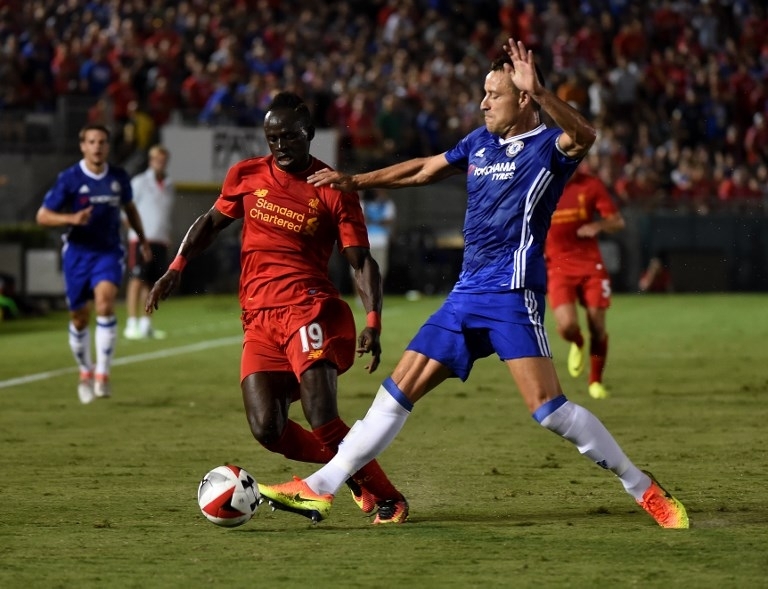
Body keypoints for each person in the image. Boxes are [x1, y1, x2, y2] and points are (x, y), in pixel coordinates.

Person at [257, 39, 689, 529]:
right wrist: (356, 181)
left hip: (512, 294)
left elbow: (585, 135)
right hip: (465, 295)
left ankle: (642, 487)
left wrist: (543, 92)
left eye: (494, 94)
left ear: (523, 97)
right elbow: (423, 169)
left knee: (549, 412)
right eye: (483, 93)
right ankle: (321, 489)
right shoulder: (478, 143)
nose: (483, 102)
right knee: (394, 395)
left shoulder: (549, 146)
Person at [145, 92, 408, 524]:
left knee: (321, 414)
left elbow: (360, 260)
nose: (280, 145)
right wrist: (176, 267)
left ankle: (387, 497)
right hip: (258, 320)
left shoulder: (332, 187)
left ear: (309, 132)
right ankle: (354, 475)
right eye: (272, 137)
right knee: (268, 427)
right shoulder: (246, 174)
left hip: (308, 310)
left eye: (288, 136)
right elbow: (210, 222)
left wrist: (373, 321)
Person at [36, 123, 151, 404]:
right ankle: (85, 370)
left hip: (108, 252)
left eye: (102, 142)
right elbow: (42, 216)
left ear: (108, 146)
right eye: (92, 142)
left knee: (105, 302)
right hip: (77, 254)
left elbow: (130, 208)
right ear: (83, 146)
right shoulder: (70, 179)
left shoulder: (118, 177)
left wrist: (142, 238)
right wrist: (71, 219)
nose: (97, 146)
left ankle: (102, 372)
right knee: (79, 317)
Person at [545, 157, 625, 400]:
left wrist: (598, 226)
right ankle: (577, 342)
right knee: (567, 326)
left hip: (590, 264)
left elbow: (617, 222)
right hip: (558, 266)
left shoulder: (590, 185)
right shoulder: (543, 184)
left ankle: (595, 382)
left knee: (597, 326)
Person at [124, 145, 175, 340]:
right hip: (141, 239)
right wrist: (136, 232)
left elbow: (165, 214)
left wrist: (166, 233)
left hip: (160, 239)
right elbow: (126, 210)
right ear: (150, 161)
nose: (160, 164)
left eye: (163, 160)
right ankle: (131, 323)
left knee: (152, 282)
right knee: (136, 279)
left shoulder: (170, 185)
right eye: (157, 160)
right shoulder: (139, 182)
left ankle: (146, 324)